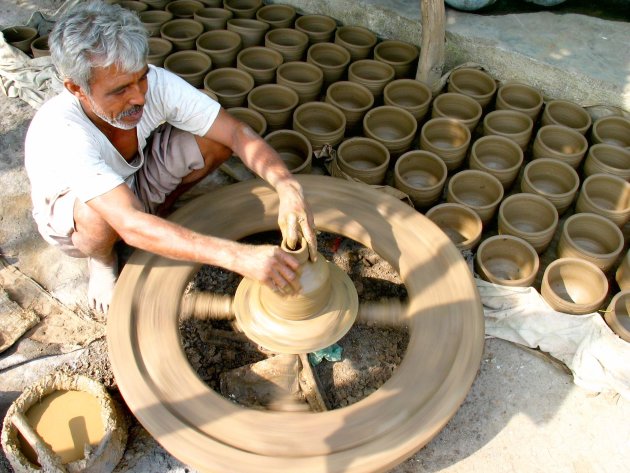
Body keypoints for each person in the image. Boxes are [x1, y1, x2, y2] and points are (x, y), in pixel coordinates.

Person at [24, 1, 317, 313]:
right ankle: (103, 260)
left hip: (133, 182)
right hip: (80, 220)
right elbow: (128, 222)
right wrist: (239, 256)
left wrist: (287, 187)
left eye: (141, 77)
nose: (139, 96)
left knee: (213, 140)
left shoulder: (155, 85)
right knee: (100, 218)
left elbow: (236, 133)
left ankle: (161, 217)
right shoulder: (63, 131)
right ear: (76, 88)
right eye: (120, 90)